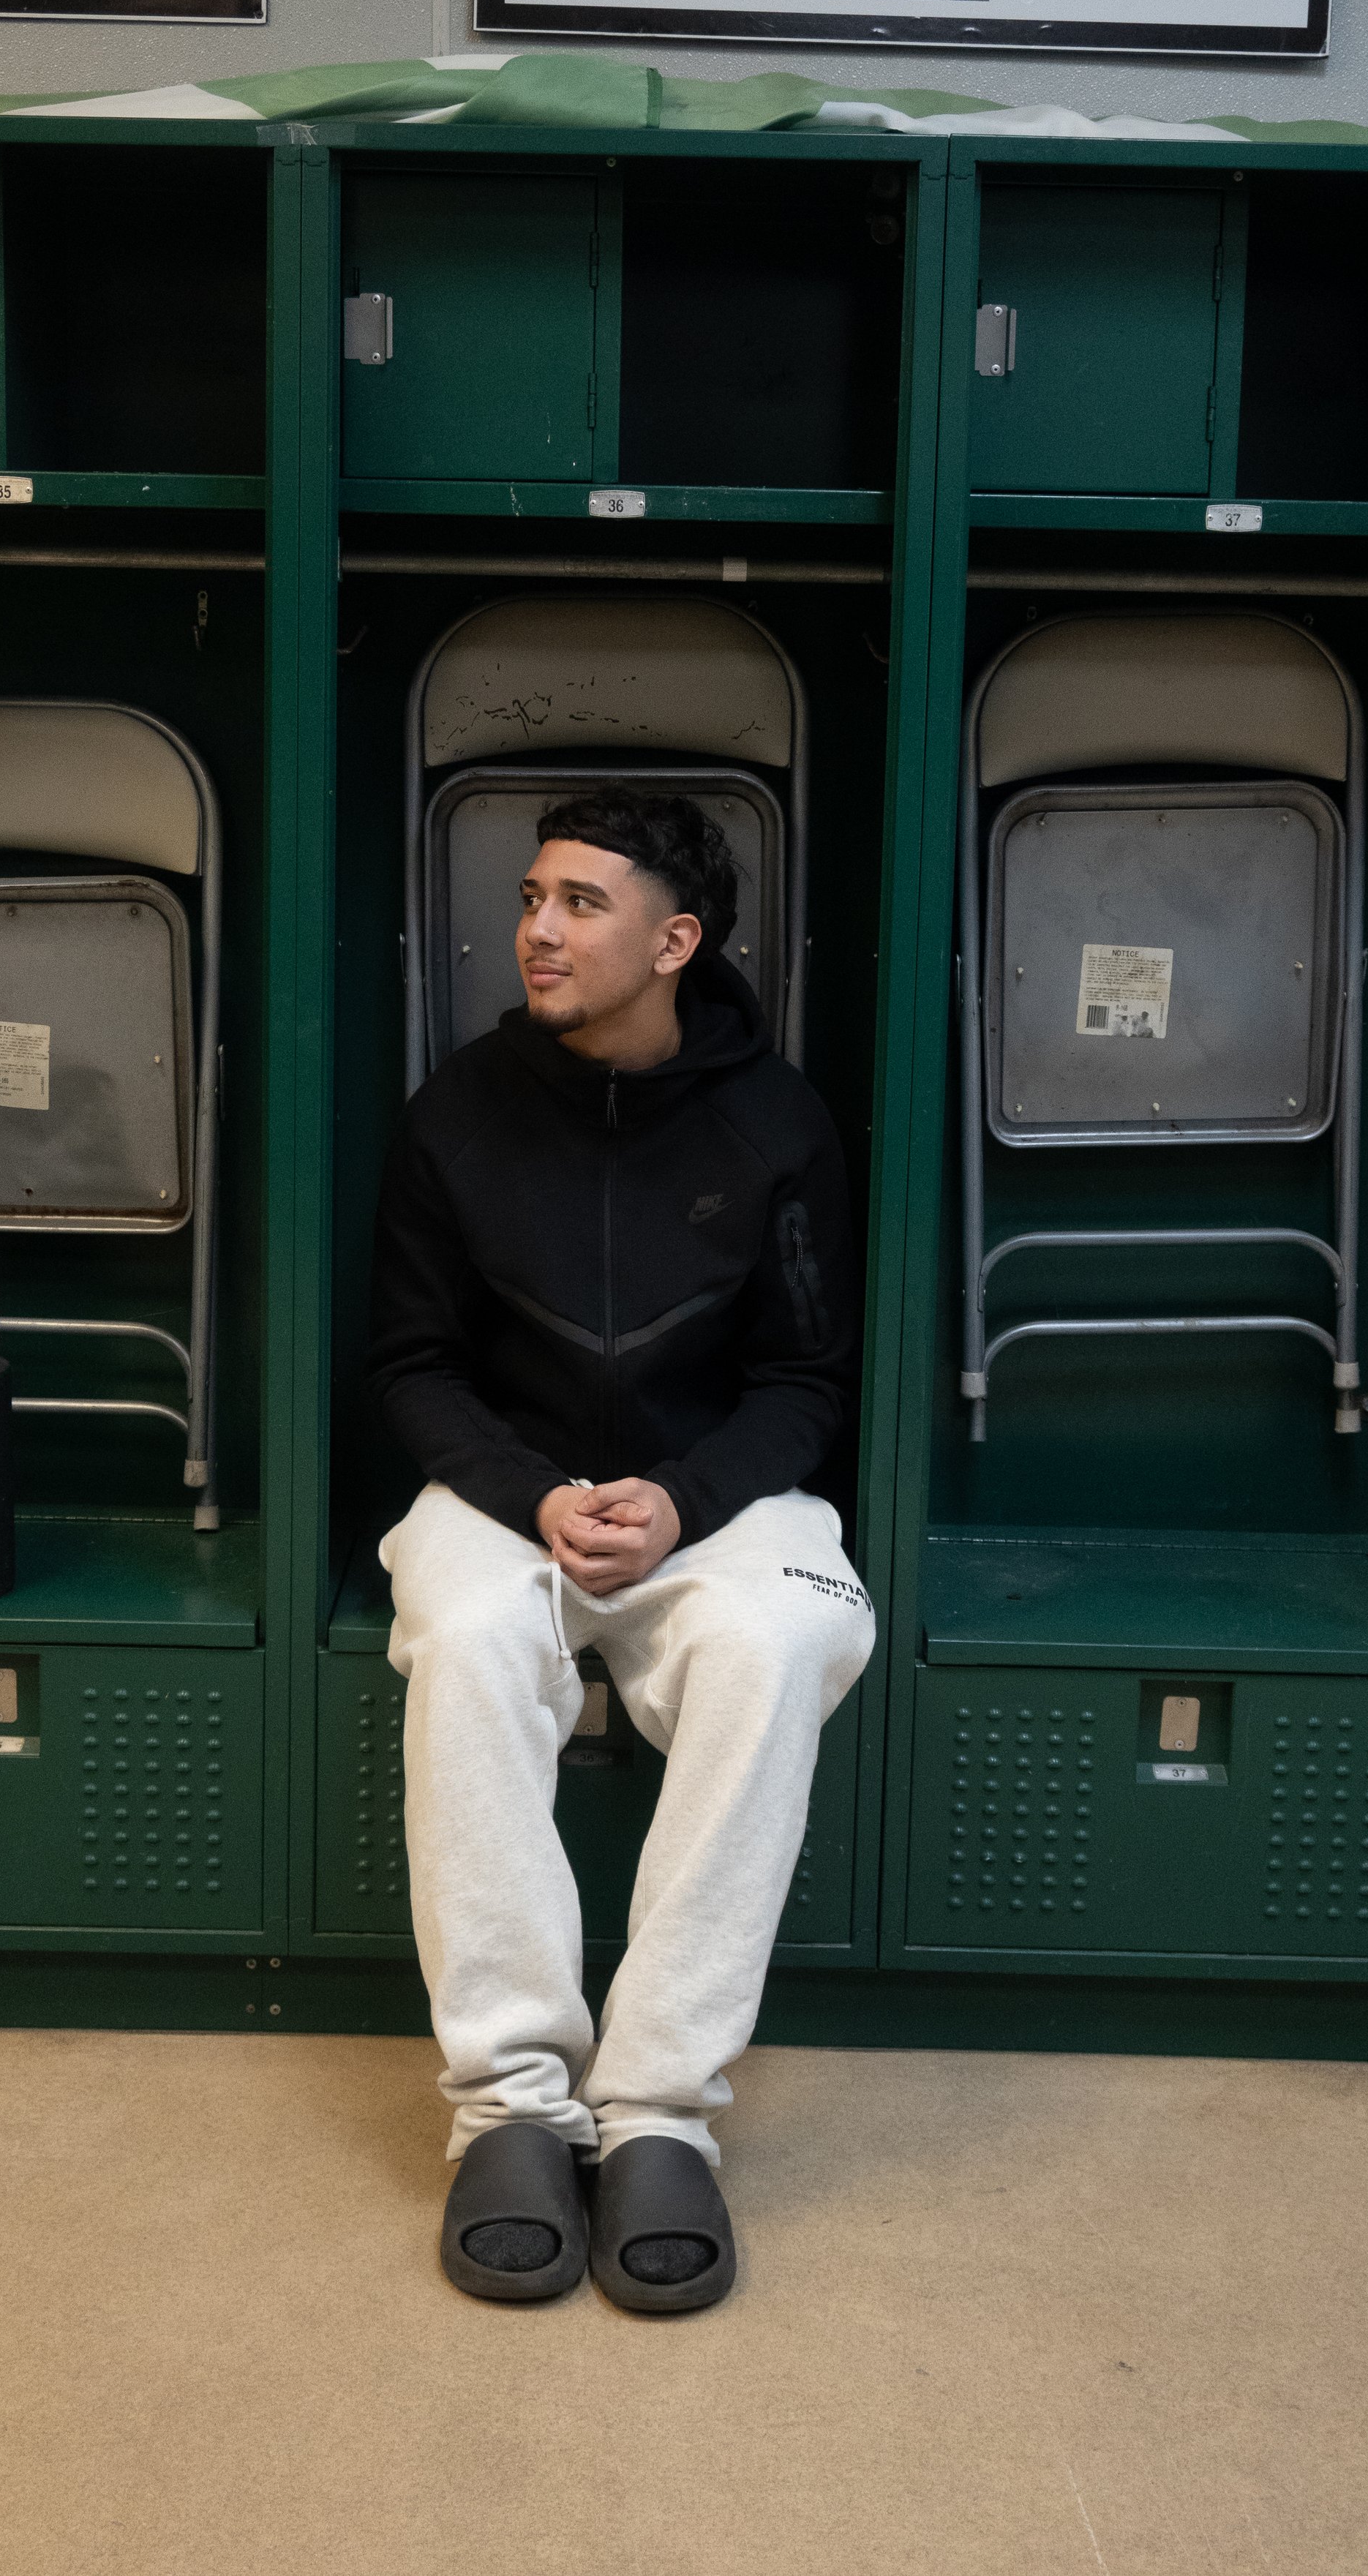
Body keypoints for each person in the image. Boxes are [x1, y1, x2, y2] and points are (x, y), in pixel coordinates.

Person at [369, 787, 874, 2314]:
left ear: (675, 939)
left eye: (580, 904)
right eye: (532, 896)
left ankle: (658, 2115)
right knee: (463, 1642)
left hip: (705, 1499)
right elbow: (409, 1365)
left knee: (777, 1637)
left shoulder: (771, 1119)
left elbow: (805, 1383)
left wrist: (677, 1499)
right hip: (506, 1489)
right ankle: (512, 2109)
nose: (535, 928)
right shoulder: (457, 1107)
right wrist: (531, 1496)